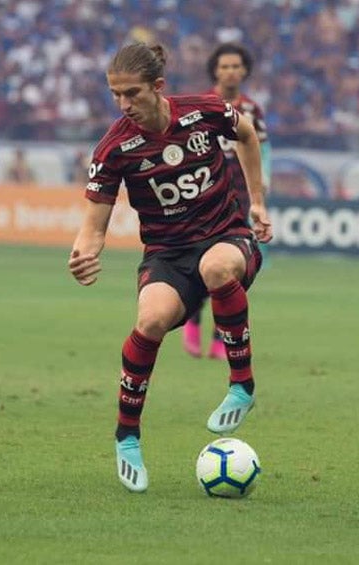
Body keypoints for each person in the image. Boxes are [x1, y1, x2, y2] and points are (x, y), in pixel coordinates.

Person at [68, 42, 272, 493]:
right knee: (151, 319)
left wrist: (256, 200)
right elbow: (93, 227)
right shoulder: (114, 148)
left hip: (226, 236)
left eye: (132, 93)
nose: (124, 105)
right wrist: (84, 252)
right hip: (167, 254)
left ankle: (242, 384)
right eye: (116, 95)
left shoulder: (204, 111)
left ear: (158, 87)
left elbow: (248, 134)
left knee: (218, 268)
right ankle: (127, 436)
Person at [182, 42, 272, 360]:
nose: (231, 71)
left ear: (244, 70)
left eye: (236, 65)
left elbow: (259, 153)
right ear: (215, 71)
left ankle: (222, 334)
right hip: (205, 198)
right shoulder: (201, 105)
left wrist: (260, 194)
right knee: (199, 262)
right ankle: (192, 319)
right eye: (225, 66)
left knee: (232, 268)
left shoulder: (251, 111)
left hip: (241, 199)